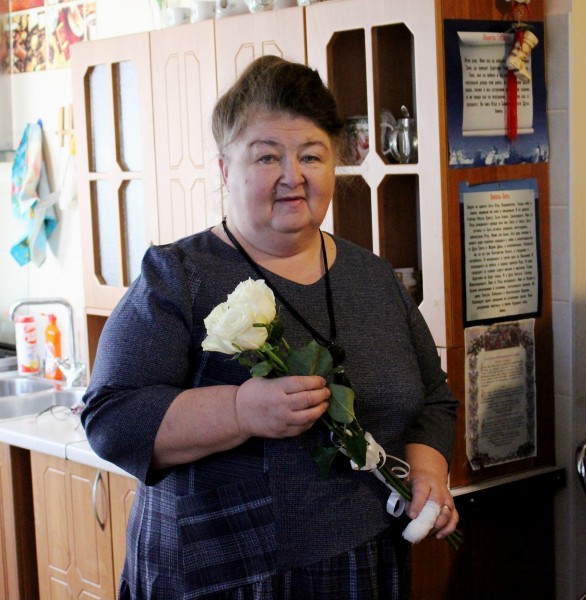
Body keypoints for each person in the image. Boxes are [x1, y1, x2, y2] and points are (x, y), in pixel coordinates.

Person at [81, 55, 459, 600]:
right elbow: (111, 418)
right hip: (218, 580)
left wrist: (426, 471)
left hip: (362, 568)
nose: (293, 176)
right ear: (224, 170)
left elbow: (433, 399)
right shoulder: (179, 277)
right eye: (266, 156)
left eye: (311, 155)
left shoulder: (373, 277)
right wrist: (239, 411)